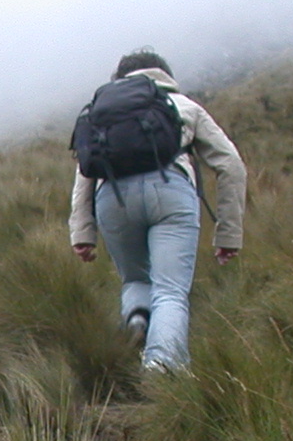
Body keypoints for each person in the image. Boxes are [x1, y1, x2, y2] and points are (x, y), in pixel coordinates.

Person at [69, 48, 246, 371]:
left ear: (119, 78)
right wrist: (228, 234)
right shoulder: (182, 105)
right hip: (170, 193)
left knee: (135, 279)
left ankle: (137, 316)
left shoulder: (101, 111)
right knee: (170, 291)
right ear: (164, 74)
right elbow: (231, 165)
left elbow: (85, 173)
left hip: (113, 198)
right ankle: (162, 367)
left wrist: (82, 232)